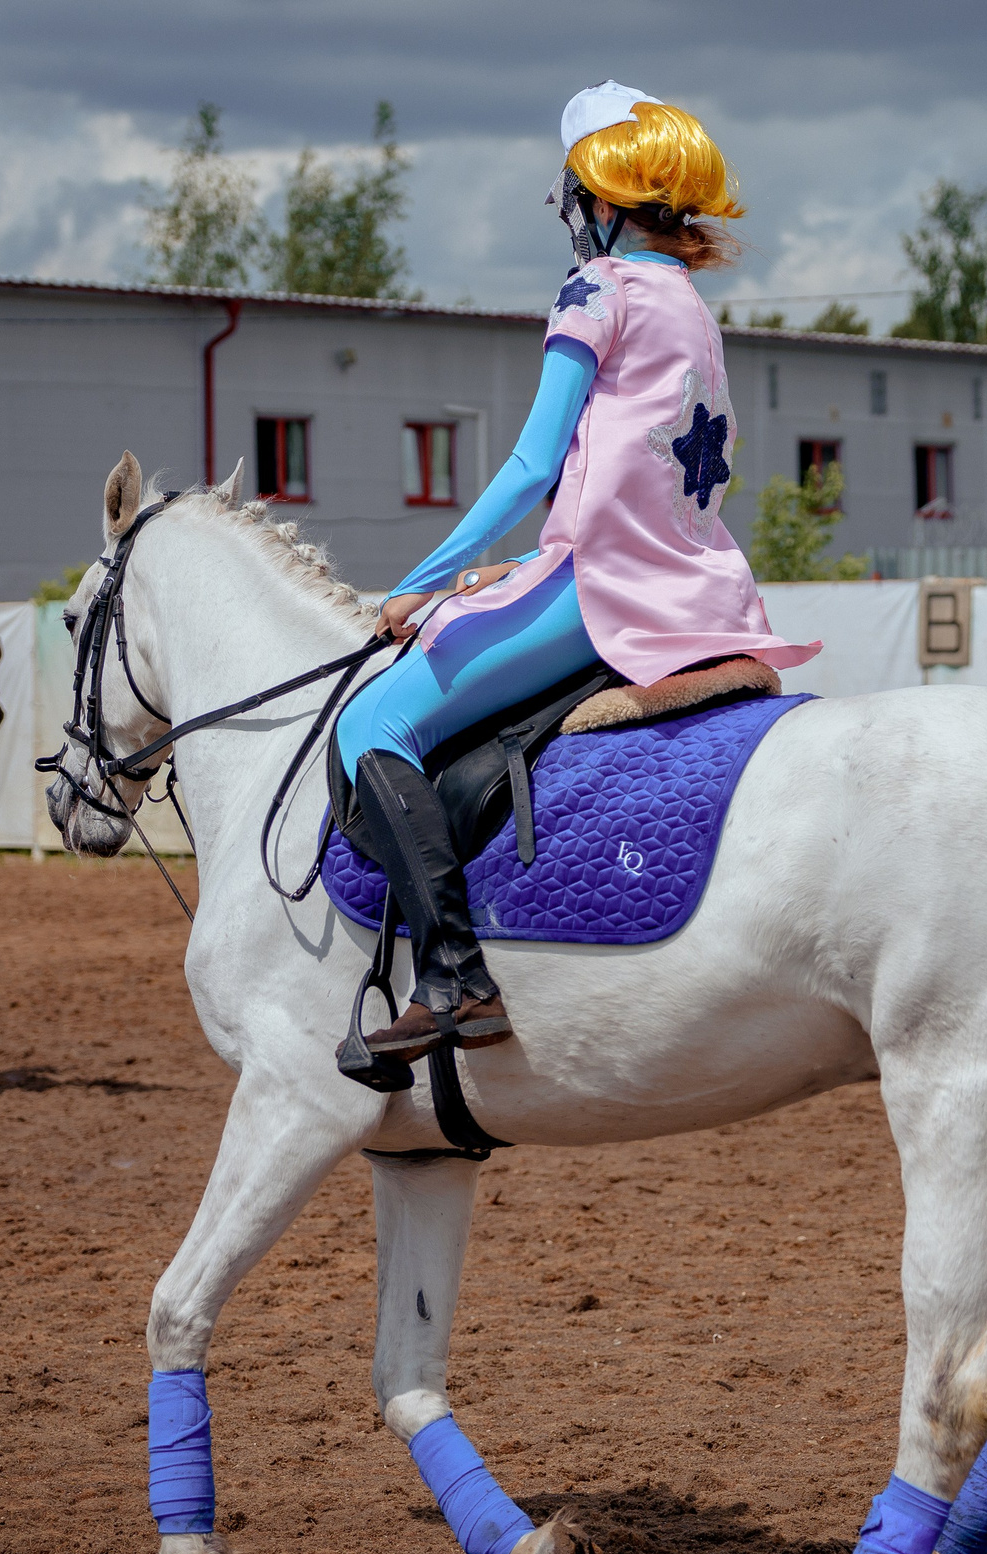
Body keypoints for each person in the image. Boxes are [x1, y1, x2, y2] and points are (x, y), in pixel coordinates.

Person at [332, 82, 817, 1063]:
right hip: (703, 585)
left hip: (606, 592)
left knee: (370, 722)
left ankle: (456, 979)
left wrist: (417, 582)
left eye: (572, 191)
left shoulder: (597, 291)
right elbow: (631, 471)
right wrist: (517, 566)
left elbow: (531, 466)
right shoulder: (688, 301)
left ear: (597, 198)